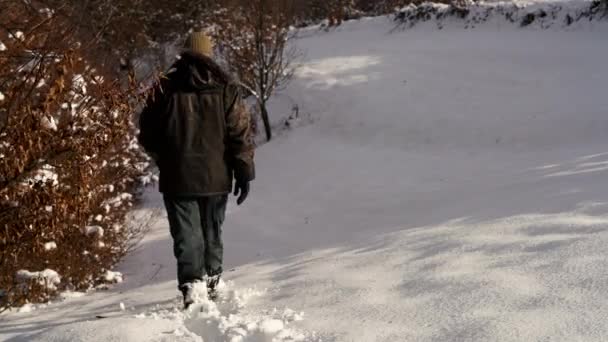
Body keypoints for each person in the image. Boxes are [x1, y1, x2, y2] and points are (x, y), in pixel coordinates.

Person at [138, 31, 255, 308]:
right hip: (217, 175)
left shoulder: (164, 87)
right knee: (212, 231)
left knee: (187, 235)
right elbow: (239, 133)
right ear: (208, 54)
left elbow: (147, 134)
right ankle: (213, 281)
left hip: (177, 176)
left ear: (183, 53)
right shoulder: (226, 88)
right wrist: (243, 171)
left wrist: (164, 157)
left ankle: (192, 287)